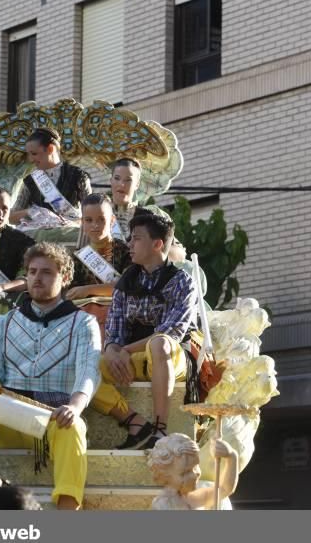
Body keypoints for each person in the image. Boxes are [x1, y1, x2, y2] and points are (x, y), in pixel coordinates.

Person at [0, 242, 102, 510]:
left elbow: (88, 372)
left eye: (46, 272)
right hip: (9, 413)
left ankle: (67, 518)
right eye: (32, 272)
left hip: (50, 418)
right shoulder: (5, 321)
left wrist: (74, 407)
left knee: (75, 427)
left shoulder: (84, 322)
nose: (37, 278)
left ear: (65, 278)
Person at [90, 212, 198, 450]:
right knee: (82, 364)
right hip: (131, 357)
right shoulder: (126, 282)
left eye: (136, 238)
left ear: (158, 243)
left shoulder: (182, 281)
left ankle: (160, 429)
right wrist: (111, 350)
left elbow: (172, 333)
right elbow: (114, 331)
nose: (129, 244)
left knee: (159, 343)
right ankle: (134, 422)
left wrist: (123, 351)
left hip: (172, 357)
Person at [67, 193, 132, 339]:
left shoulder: (127, 252)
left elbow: (126, 287)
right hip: (85, 321)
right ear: (82, 222)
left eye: (101, 219)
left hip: (120, 316)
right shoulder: (77, 258)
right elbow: (72, 294)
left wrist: (88, 290)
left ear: (112, 221)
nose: (95, 225)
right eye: (89, 220)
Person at [10, 128, 92, 224]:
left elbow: (92, 212)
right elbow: (11, 218)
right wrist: (31, 212)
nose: (31, 160)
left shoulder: (78, 176)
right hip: (40, 236)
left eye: (34, 154)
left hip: (71, 236)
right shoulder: (30, 181)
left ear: (50, 149)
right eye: (29, 155)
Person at [148, 433, 239, 510]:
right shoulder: (163, 505)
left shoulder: (199, 495)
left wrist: (232, 456)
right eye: (185, 473)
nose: (194, 474)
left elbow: (225, 489)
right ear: (164, 477)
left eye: (196, 466)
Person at [109, 158, 142, 240]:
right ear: (111, 180)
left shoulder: (147, 217)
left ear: (137, 184)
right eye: (117, 178)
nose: (121, 184)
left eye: (128, 180)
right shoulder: (96, 211)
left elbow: (176, 250)